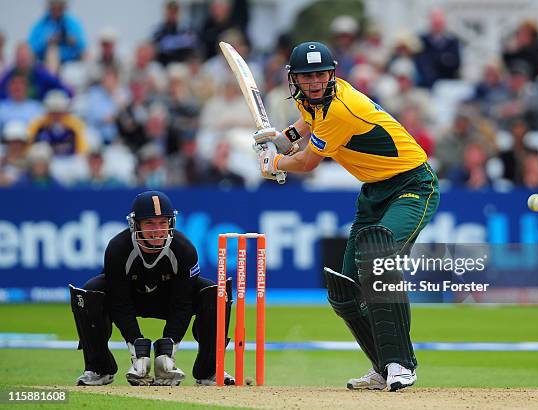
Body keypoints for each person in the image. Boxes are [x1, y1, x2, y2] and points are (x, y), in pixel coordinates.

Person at [254, 41, 440, 391]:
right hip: (373, 193)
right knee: (343, 290)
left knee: (379, 258)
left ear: (332, 73)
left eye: (321, 74)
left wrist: (275, 162)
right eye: (307, 76)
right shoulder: (306, 99)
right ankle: (382, 367)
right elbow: (308, 122)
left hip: (413, 185)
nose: (314, 82)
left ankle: (402, 364)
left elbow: (307, 163)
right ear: (294, 78)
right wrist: (286, 137)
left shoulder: (341, 109)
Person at [69, 190, 235, 386]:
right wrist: (136, 344)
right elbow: (119, 302)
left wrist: (168, 348)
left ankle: (209, 371)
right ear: (135, 224)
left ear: (171, 223)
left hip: (170, 299)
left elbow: (183, 303)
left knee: (215, 292)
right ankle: (99, 369)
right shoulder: (117, 249)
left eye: (163, 223)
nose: (157, 230)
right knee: (90, 292)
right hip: (131, 299)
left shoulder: (184, 249)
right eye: (149, 223)